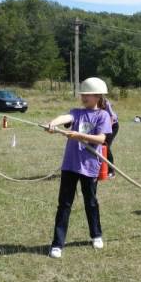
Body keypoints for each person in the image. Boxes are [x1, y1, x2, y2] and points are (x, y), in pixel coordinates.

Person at [45, 77, 112, 258]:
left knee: (90, 202)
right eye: (82, 94)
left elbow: (101, 139)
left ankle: (96, 235)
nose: (83, 97)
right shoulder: (77, 112)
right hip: (70, 166)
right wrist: (53, 123)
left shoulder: (103, 115)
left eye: (87, 94)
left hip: (89, 167)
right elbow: (66, 117)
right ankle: (57, 244)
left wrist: (79, 135)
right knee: (64, 205)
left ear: (98, 96)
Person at [103, 98, 119, 178]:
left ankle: (111, 171)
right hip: (103, 126)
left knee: (106, 146)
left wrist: (107, 128)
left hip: (112, 126)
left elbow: (112, 116)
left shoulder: (104, 102)